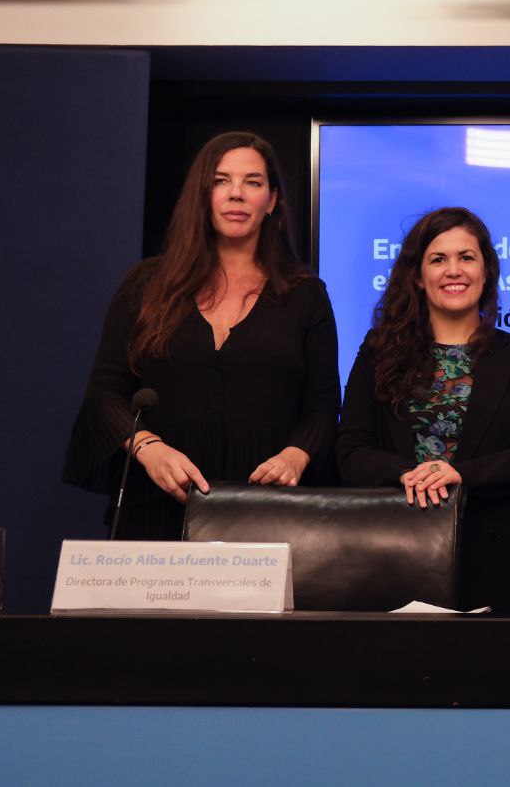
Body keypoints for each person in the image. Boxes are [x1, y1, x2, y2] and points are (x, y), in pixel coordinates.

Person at [64, 131, 341, 540]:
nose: (236, 194)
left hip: (267, 511)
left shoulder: (306, 295)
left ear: (272, 201)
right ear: (202, 195)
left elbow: (322, 407)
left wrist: (296, 456)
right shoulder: (145, 285)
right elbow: (105, 395)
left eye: (252, 182)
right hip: (156, 507)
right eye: (220, 180)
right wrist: (149, 449)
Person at [336, 207, 510, 612]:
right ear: (418, 277)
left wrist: (460, 473)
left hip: (494, 561)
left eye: (466, 257)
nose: (454, 270)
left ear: (486, 272)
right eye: (438, 259)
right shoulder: (378, 351)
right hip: (395, 551)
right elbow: (351, 451)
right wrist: (408, 474)